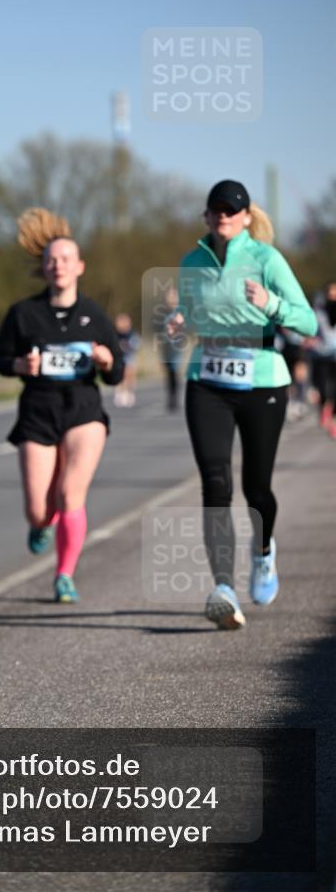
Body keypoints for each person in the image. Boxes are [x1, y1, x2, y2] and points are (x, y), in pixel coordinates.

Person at [167, 180, 317, 629]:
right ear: (207, 215)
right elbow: (196, 315)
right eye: (216, 209)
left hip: (262, 381)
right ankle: (224, 589)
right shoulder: (192, 263)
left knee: (257, 489)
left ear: (247, 216)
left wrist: (270, 302)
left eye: (233, 210)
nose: (224, 216)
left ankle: (264, 551)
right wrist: (181, 322)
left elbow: (307, 320)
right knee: (215, 482)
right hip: (207, 381)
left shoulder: (267, 260)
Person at [0, 208, 124, 602]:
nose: (59, 265)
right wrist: (20, 364)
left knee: (71, 494)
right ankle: (41, 524)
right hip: (38, 411)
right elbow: (0, 360)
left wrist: (106, 361)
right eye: (52, 260)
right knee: (39, 509)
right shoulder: (24, 314)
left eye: (66, 259)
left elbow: (116, 375)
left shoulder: (94, 316)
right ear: (44, 268)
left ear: (79, 266)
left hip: (83, 410)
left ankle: (64, 574)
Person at [311, 281, 336, 438]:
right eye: (331, 293)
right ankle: (324, 407)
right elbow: (309, 330)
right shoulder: (318, 313)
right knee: (321, 386)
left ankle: (333, 420)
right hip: (320, 354)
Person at [154, 286, 184, 411]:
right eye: (169, 296)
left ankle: (174, 398)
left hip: (176, 348)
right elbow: (158, 332)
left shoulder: (181, 313)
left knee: (174, 372)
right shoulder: (162, 314)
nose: (171, 299)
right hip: (166, 347)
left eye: (173, 296)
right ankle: (170, 397)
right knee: (168, 374)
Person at [113, 313, 142, 407]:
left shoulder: (131, 334)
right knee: (120, 374)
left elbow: (136, 344)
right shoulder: (115, 334)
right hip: (119, 357)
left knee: (128, 373)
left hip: (129, 356)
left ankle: (129, 391)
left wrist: (127, 346)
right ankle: (120, 392)